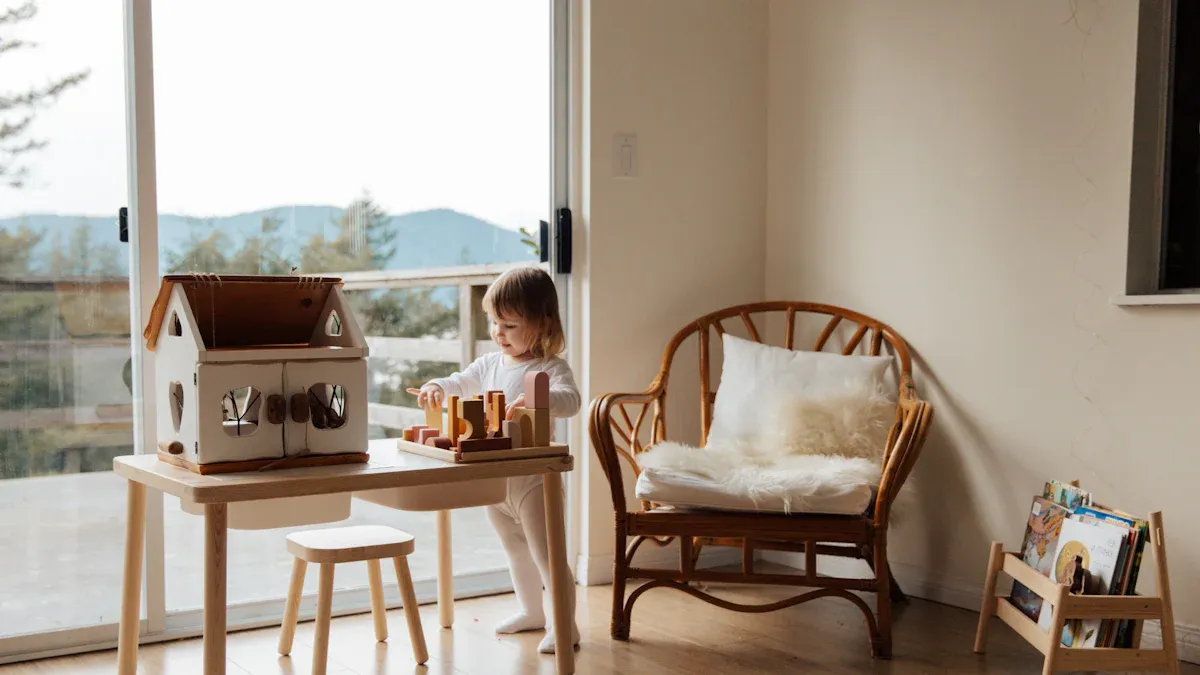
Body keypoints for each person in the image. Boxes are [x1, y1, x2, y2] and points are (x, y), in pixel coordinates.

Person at [412, 266, 580, 654]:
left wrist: (542, 400)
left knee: (547, 555)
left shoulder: (550, 368)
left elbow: (570, 401)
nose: (498, 333)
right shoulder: (489, 364)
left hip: (535, 480)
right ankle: (531, 611)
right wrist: (438, 386)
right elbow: (460, 381)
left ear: (541, 325)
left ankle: (565, 626)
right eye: (494, 323)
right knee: (514, 549)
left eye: (509, 324)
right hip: (496, 482)